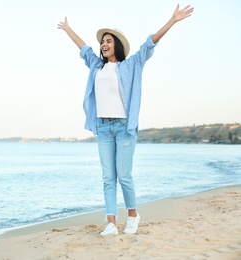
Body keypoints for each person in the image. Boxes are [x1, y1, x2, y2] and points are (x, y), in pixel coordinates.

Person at [57, 4, 194, 235]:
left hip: (123, 128)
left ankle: (133, 214)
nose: (104, 44)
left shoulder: (130, 65)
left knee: (124, 175)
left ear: (117, 45)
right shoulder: (96, 66)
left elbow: (149, 44)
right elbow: (83, 48)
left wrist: (172, 20)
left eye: (109, 41)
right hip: (103, 127)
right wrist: (68, 30)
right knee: (108, 177)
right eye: (103, 41)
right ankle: (111, 222)